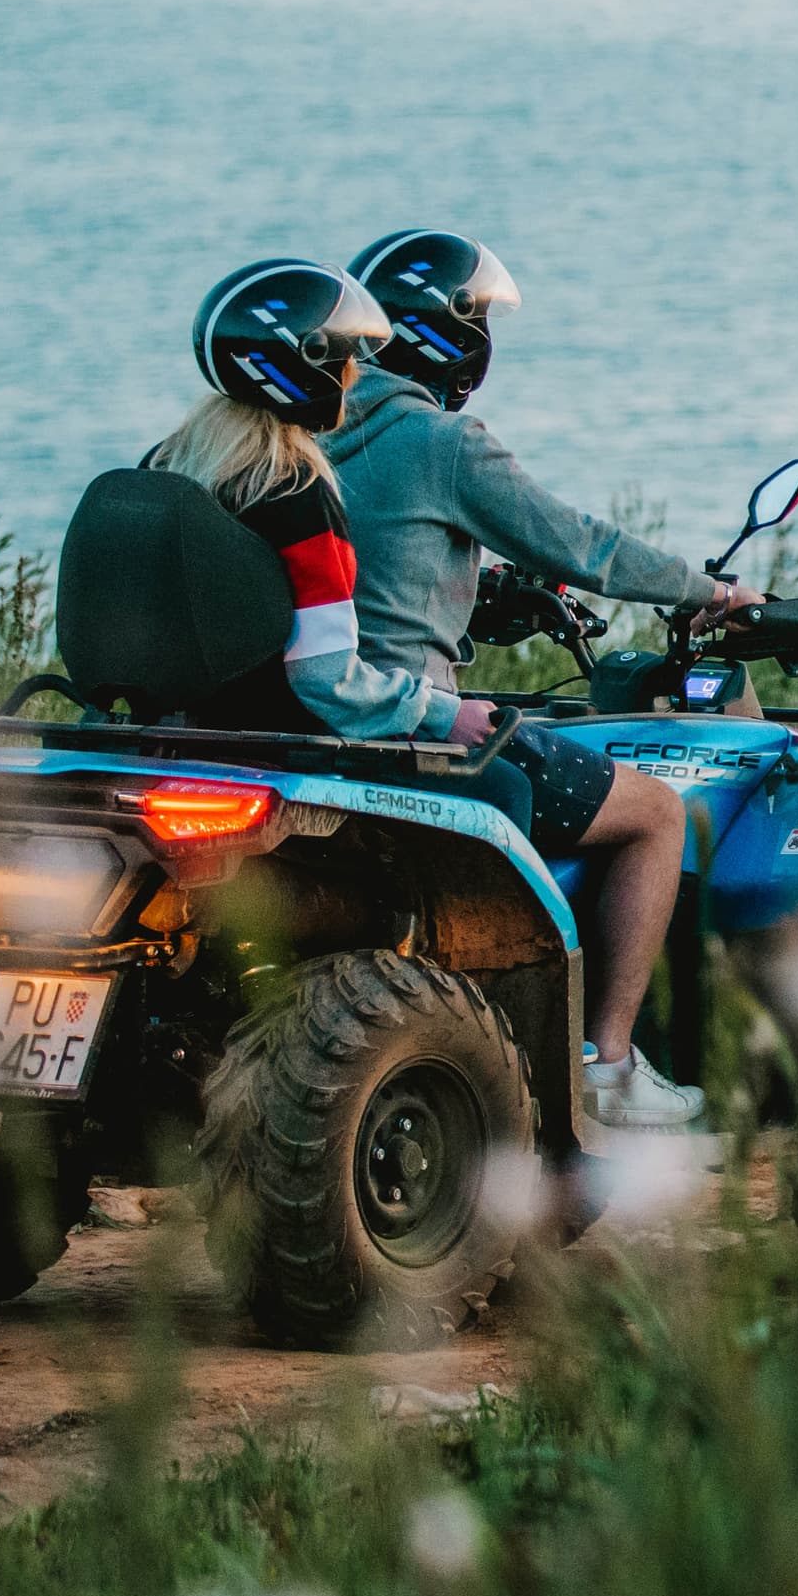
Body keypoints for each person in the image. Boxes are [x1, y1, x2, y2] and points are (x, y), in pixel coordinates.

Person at [324, 230, 756, 1133]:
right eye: (479, 319)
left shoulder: (309, 435)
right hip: (416, 728)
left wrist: (477, 601)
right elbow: (583, 545)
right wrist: (710, 591)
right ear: (451, 336)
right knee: (655, 815)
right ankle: (608, 1063)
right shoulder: (438, 441)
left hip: (316, 716)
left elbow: (367, 574)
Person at [145, 259, 493, 751]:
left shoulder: (166, 464)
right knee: (513, 789)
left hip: (164, 735)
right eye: (344, 359)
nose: (353, 376)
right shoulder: (293, 491)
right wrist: (446, 712)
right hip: (283, 744)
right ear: (306, 365)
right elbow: (327, 679)